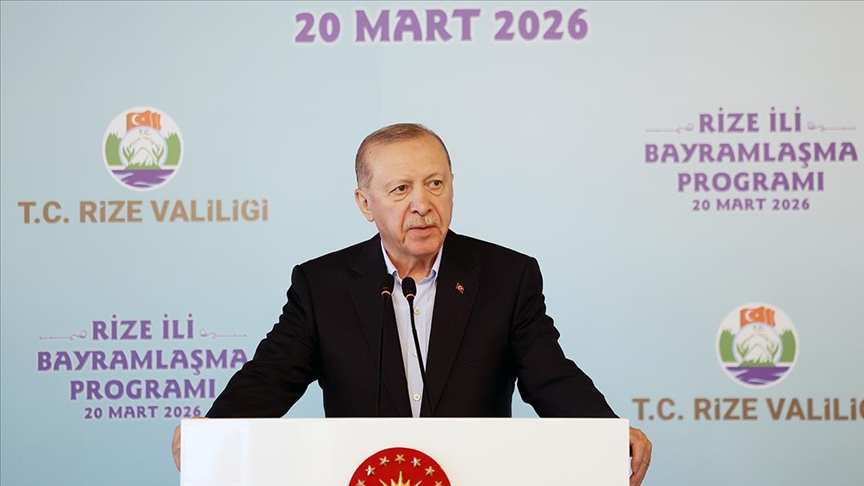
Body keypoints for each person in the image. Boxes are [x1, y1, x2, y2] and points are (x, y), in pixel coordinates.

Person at [172, 123, 652, 485]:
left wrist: (606, 434)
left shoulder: (507, 277)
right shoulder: (322, 286)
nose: (422, 204)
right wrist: (213, 432)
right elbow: (271, 376)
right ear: (365, 203)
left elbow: (550, 375)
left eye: (435, 184)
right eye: (401, 189)